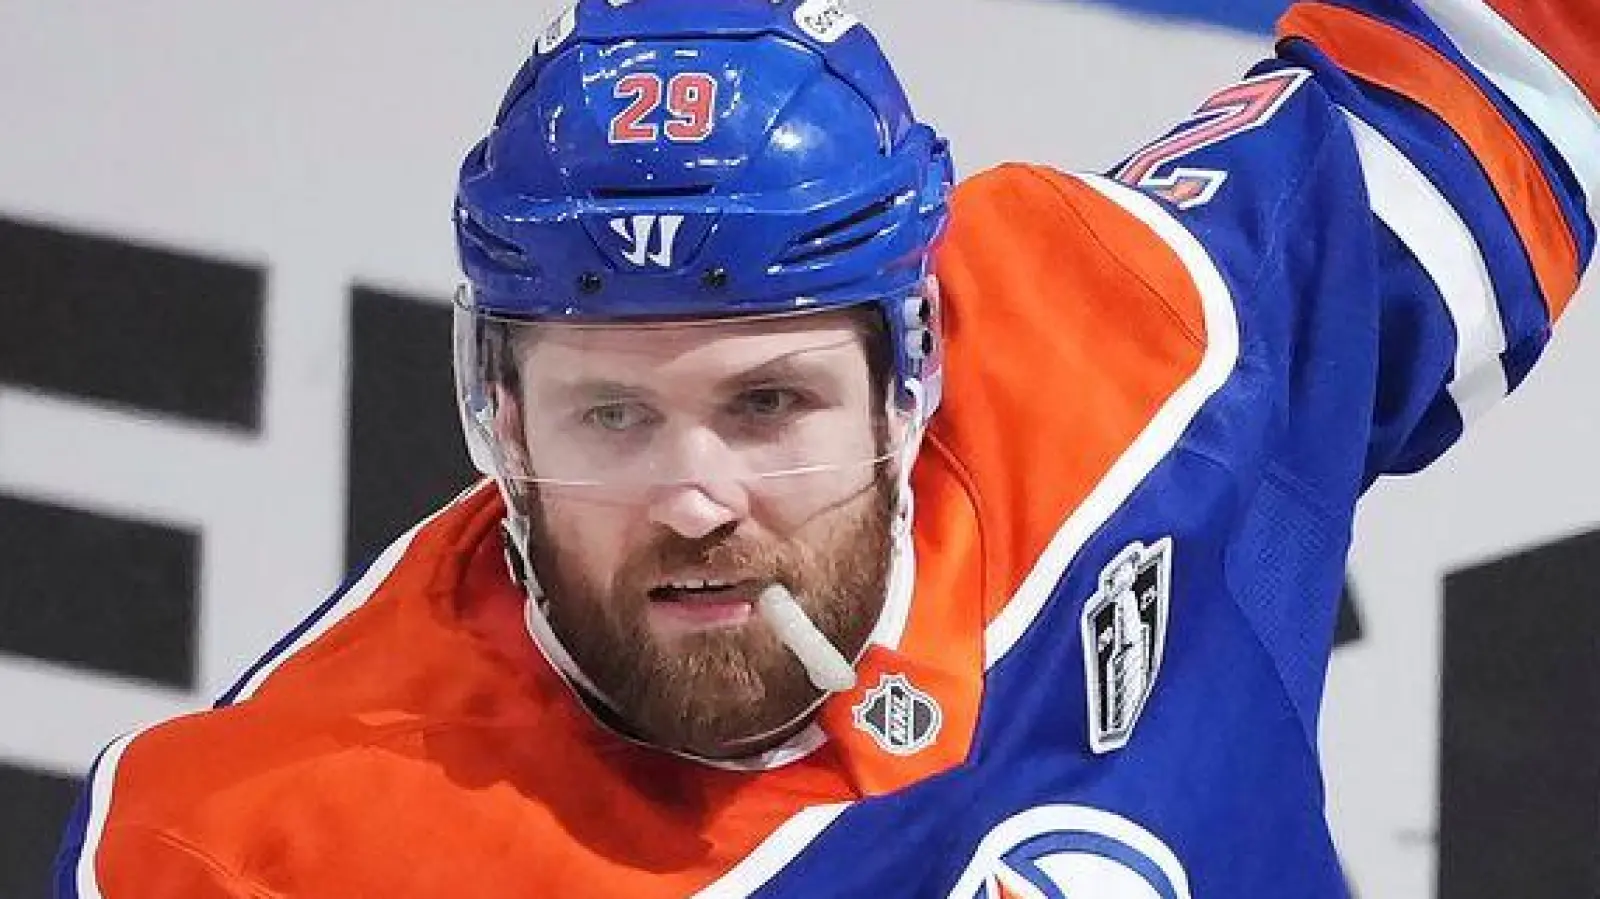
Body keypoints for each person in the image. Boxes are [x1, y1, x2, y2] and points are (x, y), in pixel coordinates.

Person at [55, 0, 1597, 895]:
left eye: (769, 403)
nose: (694, 495)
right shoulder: (260, 848)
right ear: (501, 419)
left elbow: (1515, 63)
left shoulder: (1129, 348)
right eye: (610, 413)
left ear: (912, 368)